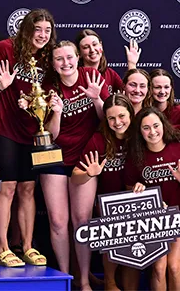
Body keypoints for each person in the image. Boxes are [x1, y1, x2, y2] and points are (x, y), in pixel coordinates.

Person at [0, 8, 57, 267]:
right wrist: (2, 84)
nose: (43, 35)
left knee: (28, 188)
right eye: (38, 29)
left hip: (32, 131)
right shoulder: (6, 48)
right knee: (7, 187)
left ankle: (26, 246)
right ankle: (2, 247)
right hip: (3, 128)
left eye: (47, 30)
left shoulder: (48, 57)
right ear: (27, 28)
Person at [34, 40, 109, 290]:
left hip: (85, 157)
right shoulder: (48, 87)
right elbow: (51, 135)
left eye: (69, 57)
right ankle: (64, 278)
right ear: (53, 65)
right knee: (57, 221)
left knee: (82, 221)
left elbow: (105, 120)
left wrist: (97, 100)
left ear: (78, 58)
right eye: (59, 59)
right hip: (55, 158)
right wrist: (57, 111)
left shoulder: (91, 76)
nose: (65, 63)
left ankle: (84, 281)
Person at [71, 94, 135, 290]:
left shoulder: (139, 136)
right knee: (112, 228)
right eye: (111, 118)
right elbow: (75, 176)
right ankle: (109, 282)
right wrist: (90, 174)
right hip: (108, 203)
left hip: (134, 199)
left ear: (131, 115)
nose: (117, 122)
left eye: (122, 116)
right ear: (105, 120)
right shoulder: (99, 139)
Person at [125, 106, 180, 291]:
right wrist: (138, 190)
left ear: (164, 125)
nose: (152, 132)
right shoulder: (136, 156)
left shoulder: (177, 146)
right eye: (146, 128)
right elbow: (129, 190)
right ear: (140, 131)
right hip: (153, 220)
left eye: (156, 125)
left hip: (177, 215)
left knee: (174, 267)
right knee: (158, 268)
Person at [75, 29, 141, 95]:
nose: (92, 50)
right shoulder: (75, 76)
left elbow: (128, 94)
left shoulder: (110, 74)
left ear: (101, 46)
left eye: (94, 44)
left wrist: (132, 64)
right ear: (79, 53)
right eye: (86, 47)